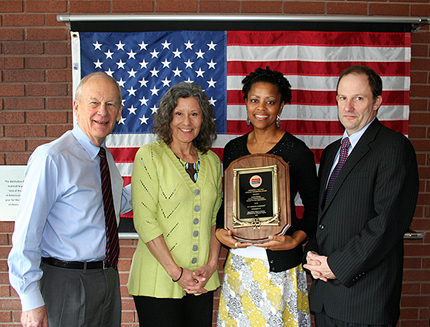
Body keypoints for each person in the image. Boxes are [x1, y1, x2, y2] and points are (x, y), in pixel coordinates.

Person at [8, 72, 133, 327]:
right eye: (94, 103)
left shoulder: (104, 158)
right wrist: (31, 299)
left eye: (111, 104)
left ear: (119, 112)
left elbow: (112, 205)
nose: (103, 112)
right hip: (65, 282)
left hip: (107, 279)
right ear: (76, 107)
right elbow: (26, 232)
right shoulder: (52, 158)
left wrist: (162, 185)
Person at [304, 65, 419, 326]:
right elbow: (325, 217)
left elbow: (386, 224)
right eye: (343, 98)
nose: (348, 107)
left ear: (377, 101)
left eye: (359, 98)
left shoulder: (394, 148)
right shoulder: (333, 151)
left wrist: (337, 266)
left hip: (365, 301)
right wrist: (312, 254)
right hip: (326, 297)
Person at [216, 67, 319, 326]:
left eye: (270, 101)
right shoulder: (233, 150)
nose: (261, 108)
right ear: (246, 103)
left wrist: (295, 239)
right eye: (254, 100)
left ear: (281, 106)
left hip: (280, 266)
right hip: (240, 264)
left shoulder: (296, 151)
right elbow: (225, 203)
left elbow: (315, 207)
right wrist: (219, 229)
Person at [127, 82, 222, 327]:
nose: (186, 122)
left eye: (194, 114)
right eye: (179, 113)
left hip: (202, 280)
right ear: (168, 117)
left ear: (204, 119)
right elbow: (145, 220)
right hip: (158, 280)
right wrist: (177, 273)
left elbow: (215, 219)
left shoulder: (211, 161)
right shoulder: (149, 155)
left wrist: (212, 265)